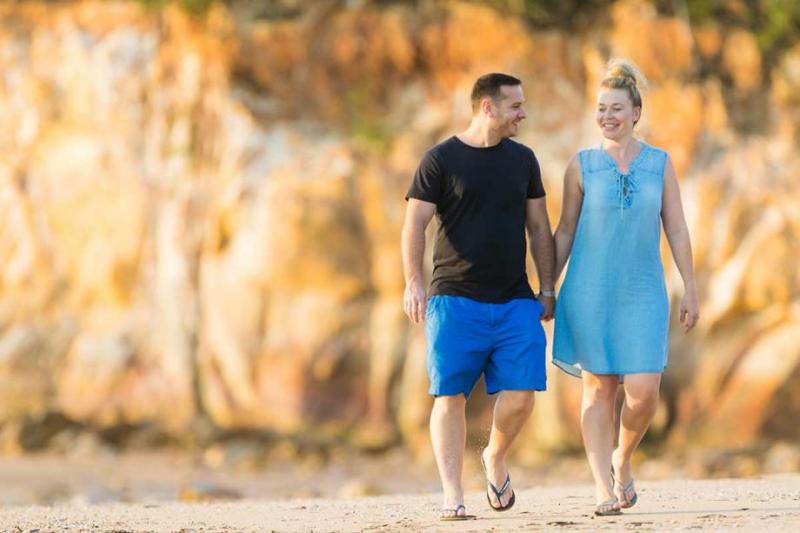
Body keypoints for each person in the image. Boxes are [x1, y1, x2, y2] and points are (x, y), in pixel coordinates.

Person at [401, 73, 556, 520]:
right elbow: (414, 225)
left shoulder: (523, 160)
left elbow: (539, 227)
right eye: (515, 106)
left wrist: (547, 287)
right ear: (487, 107)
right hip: (454, 301)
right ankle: (453, 494)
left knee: (523, 393)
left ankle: (494, 456)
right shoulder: (440, 160)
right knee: (449, 396)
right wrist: (414, 281)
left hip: (514, 300)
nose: (523, 113)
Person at [552, 59, 700, 516]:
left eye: (617, 107)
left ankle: (623, 457)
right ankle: (602, 488)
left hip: (642, 291)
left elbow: (676, 229)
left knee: (643, 391)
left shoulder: (659, 163)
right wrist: (545, 287)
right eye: (601, 108)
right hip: (588, 291)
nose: (607, 116)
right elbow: (564, 231)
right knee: (598, 389)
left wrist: (690, 289)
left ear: (636, 112)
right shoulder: (580, 166)